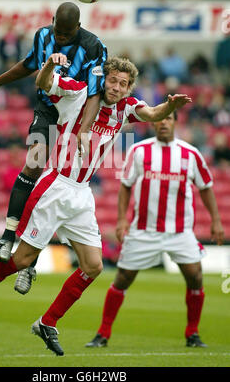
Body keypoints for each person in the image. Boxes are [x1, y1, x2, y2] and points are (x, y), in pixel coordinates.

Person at [0, 53, 191, 357]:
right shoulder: (79, 92)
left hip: (81, 194)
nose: (116, 88)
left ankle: (47, 322)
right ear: (104, 79)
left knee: (93, 266)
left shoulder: (126, 108)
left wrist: (171, 105)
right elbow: (44, 81)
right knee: (22, 260)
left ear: (129, 89)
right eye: (113, 80)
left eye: (123, 84)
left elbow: (154, 114)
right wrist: (50, 64)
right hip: (55, 187)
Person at [0, 2, 108, 281]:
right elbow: (28, 66)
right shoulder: (42, 35)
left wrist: (83, 130)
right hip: (49, 109)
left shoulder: (94, 46)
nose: (60, 38)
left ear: (78, 28)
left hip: (76, 115)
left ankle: (31, 259)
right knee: (35, 162)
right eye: (58, 31)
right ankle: (7, 235)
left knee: (55, 183)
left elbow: (95, 94)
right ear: (52, 22)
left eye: (67, 34)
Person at [86, 111, 224, 350]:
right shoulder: (139, 151)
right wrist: (121, 220)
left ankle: (192, 333)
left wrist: (216, 220)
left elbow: (206, 187)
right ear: (153, 123)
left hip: (180, 231)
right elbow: (126, 186)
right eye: (160, 119)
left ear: (175, 122)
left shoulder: (190, 154)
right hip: (144, 230)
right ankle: (102, 333)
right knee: (123, 279)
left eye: (169, 119)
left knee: (195, 277)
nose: (163, 123)